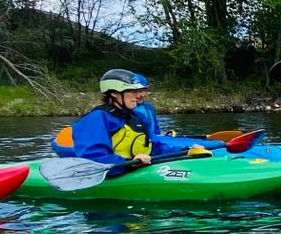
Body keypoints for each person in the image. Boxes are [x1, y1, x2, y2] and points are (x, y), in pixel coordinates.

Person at [55, 69, 223, 166]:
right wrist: (128, 161)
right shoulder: (96, 119)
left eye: (139, 91)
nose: (138, 96)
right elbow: (93, 158)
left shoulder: (135, 117)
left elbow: (153, 147)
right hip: (116, 173)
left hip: (137, 168)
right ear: (114, 93)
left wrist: (184, 150)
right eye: (133, 92)